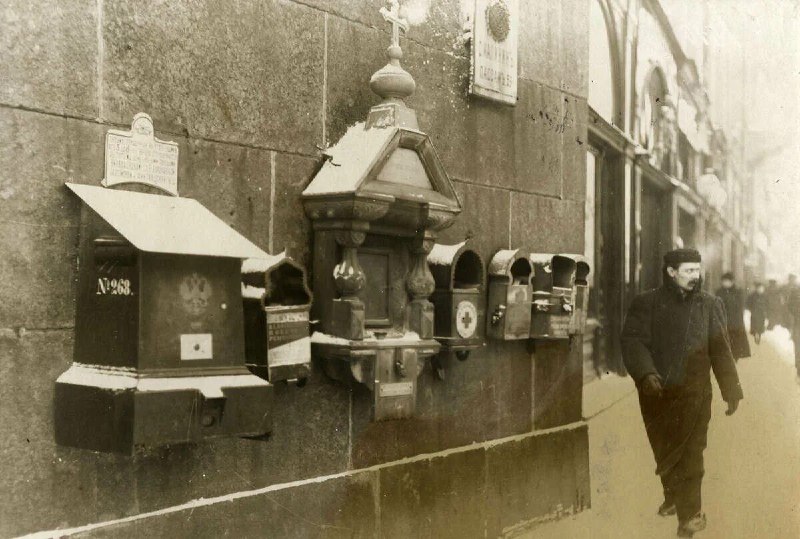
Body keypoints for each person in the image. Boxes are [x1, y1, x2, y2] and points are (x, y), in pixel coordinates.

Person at [621, 248, 742, 538]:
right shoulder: (646, 303)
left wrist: (731, 389)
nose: (695, 276)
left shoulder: (709, 304)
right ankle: (673, 494)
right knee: (664, 449)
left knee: (692, 453)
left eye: (697, 270)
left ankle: (690, 516)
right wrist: (646, 374)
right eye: (688, 271)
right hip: (657, 394)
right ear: (671, 272)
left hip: (695, 394)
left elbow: (720, 349)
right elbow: (633, 341)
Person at [715, 272, 751, 360]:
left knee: (735, 341)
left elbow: (740, 305)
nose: (726, 283)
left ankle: (735, 357)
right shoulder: (719, 292)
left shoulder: (737, 292)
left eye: (727, 281)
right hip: (723, 320)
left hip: (735, 320)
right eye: (724, 281)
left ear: (732, 282)